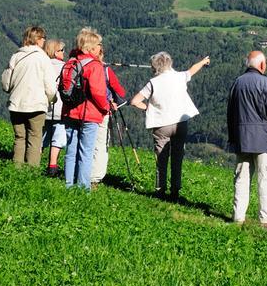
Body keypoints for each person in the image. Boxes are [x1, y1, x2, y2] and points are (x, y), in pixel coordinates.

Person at [131, 52, 209, 200]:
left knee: (162, 158)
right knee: (177, 156)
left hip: (161, 125)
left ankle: (160, 190)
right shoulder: (180, 77)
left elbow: (135, 101)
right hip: (180, 123)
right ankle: (175, 191)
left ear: (155, 67)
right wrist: (203, 62)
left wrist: (147, 108)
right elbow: (192, 69)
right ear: (169, 63)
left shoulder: (153, 83)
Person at [226, 50, 267, 228]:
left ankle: (238, 217)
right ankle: (265, 220)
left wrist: (233, 137)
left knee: (241, 179)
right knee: (265, 180)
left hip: (241, 140)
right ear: (261, 65)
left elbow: (230, 113)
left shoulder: (237, 83)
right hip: (264, 141)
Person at [60, 27, 110, 191]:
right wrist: (105, 108)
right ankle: (83, 188)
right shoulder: (94, 66)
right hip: (89, 114)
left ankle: (68, 184)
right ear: (90, 47)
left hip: (70, 111)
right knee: (86, 152)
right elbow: (98, 92)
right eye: (97, 45)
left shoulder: (71, 62)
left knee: (71, 150)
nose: (100, 48)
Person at [3, 26, 55, 168]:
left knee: (20, 137)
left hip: (16, 104)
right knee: (35, 137)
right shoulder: (43, 59)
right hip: (36, 105)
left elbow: (6, 84)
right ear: (38, 40)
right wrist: (51, 99)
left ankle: (17, 169)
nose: (44, 41)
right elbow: (50, 87)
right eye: (43, 38)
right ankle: (31, 171)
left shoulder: (16, 56)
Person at [89, 44, 127, 189]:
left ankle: (81, 172)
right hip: (102, 111)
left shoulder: (81, 65)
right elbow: (121, 92)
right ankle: (95, 177)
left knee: (85, 142)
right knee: (100, 143)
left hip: (83, 112)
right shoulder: (105, 70)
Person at [42, 38, 67, 177]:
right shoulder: (65, 67)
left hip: (43, 106)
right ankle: (52, 166)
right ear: (56, 52)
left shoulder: (42, 64)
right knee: (58, 136)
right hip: (60, 107)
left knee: (41, 135)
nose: (64, 52)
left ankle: (33, 161)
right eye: (62, 50)